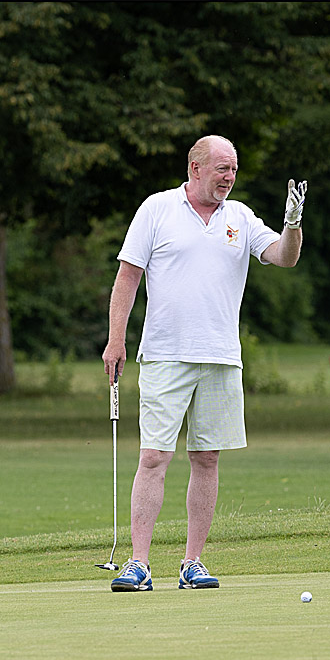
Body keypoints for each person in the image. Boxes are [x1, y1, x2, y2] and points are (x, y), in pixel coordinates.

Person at [100, 134, 306, 592]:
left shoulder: (241, 217)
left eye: (233, 169)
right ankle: (139, 563)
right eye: (221, 168)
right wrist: (116, 339)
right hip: (165, 353)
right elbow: (128, 276)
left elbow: (283, 257)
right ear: (195, 168)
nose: (229, 177)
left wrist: (292, 223)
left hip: (220, 356)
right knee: (154, 456)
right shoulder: (156, 209)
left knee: (206, 459)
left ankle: (193, 562)